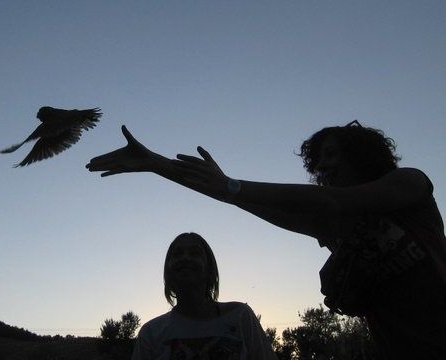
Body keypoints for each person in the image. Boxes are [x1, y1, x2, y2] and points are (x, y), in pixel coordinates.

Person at [87, 121, 446, 359]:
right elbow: (236, 196)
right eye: (319, 162)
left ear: (362, 155)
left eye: (332, 156)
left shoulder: (410, 184)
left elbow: (329, 199)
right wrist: (155, 163)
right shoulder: (334, 226)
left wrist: (231, 185)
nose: (322, 169)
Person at [132, 232, 277, 360]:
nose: (185, 258)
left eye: (195, 253)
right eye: (177, 254)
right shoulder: (151, 334)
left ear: (209, 268)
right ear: (168, 270)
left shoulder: (240, 316)